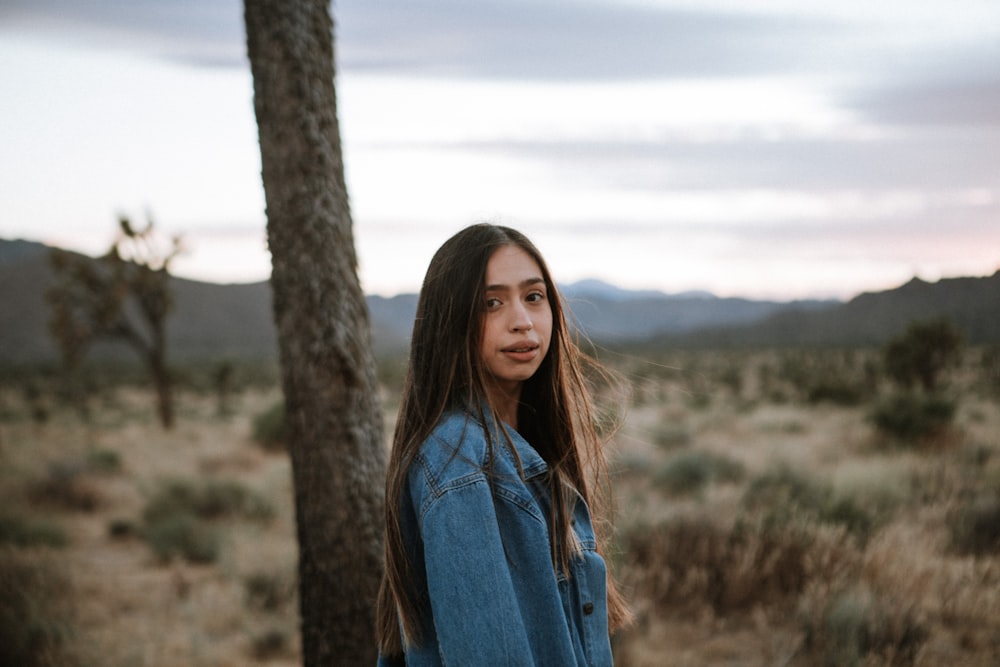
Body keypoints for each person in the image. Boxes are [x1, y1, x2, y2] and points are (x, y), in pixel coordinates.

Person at [376, 223, 630, 666]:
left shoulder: (523, 445)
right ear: (449, 323)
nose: (522, 321)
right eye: (491, 303)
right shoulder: (458, 462)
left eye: (534, 297)